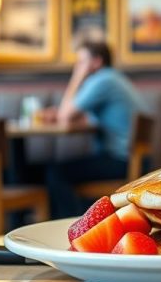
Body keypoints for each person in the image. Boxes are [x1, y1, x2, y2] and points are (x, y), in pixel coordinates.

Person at [43, 41, 145, 217]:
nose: (78, 66)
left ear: (97, 61)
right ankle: (81, 223)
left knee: (55, 173)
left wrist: (76, 77)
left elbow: (66, 116)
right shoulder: (113, 78)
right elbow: (83, 118)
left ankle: (70, 227)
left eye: (81, 62)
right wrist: (62, 114)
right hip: (133, 159)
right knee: (53, 171)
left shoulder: (103, 80)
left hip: (121, 160)